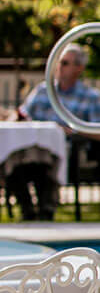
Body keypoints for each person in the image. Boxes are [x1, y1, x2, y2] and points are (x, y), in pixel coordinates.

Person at [10, 43, 100, 219]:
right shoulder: (43, 91)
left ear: (79, 68)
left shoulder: (90, 97)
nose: (59, 66)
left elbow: (98, 131)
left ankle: (46, 210)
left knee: (52, 158)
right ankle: (28, 211)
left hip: (67, 150)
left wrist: (73, 130)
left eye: (65, 62)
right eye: (59, 62)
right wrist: (4, 115)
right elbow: (21, 116)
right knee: (10, 158)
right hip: (33, 148)